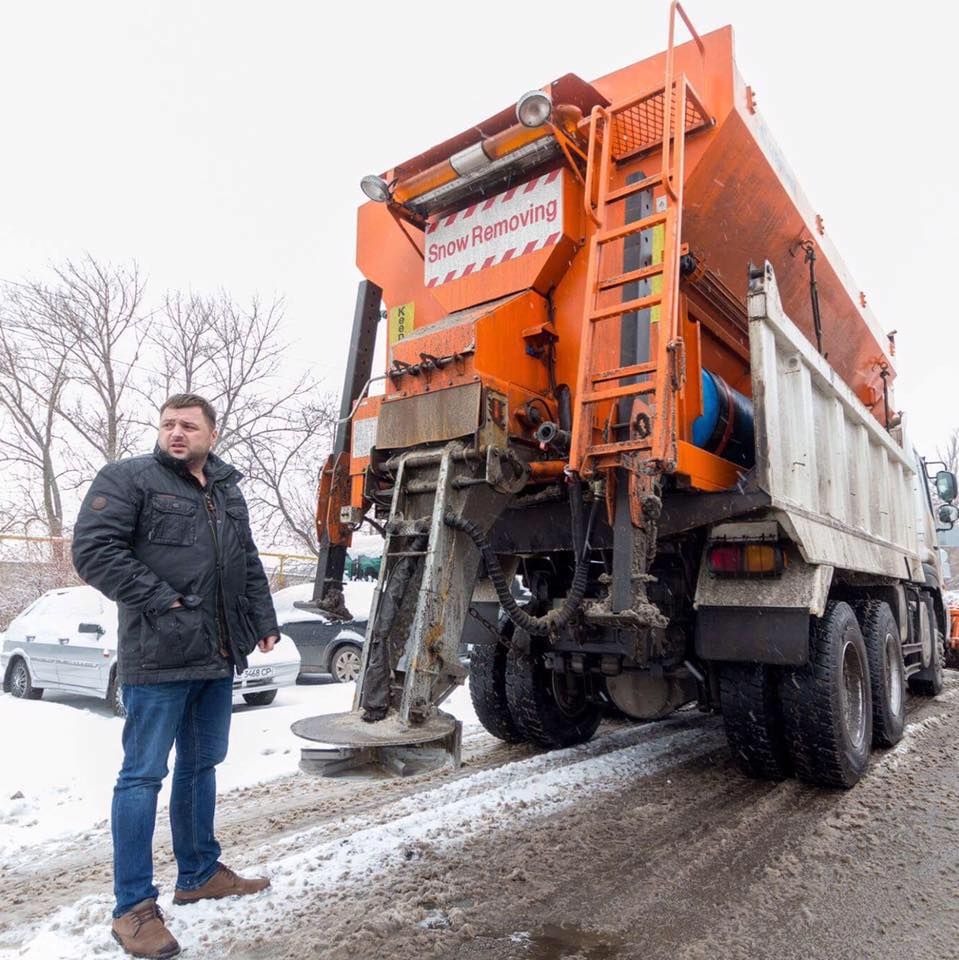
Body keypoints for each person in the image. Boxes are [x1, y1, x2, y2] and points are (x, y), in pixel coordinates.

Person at [72, 393, 280, 960]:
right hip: (158, 655)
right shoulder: (129, 478)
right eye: (168, 424)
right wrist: (162, 601)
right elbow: (93, 551)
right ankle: (133, 909)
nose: (177, 433)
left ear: (211, 433)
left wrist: (262, 619)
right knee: (141, 777)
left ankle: (199, 872)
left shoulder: (227, 489)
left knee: (200, 765)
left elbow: (248, 559)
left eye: (189, 425)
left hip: (216, 655)